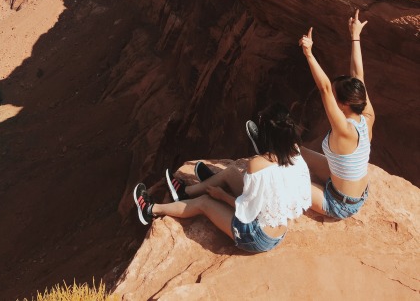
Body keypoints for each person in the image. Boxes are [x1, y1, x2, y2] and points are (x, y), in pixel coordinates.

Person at [133, 102, 311, 253]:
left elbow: (249, 210)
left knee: (203, 202)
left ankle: (150, 210)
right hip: (279, 232)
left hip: (257, 236)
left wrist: (221, 196)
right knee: (231, 172)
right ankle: (185, 192)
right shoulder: (295, 151)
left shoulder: (257, 164)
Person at [299, 9, 374, 220]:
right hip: (354, 192)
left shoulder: (345, 130)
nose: (330, 95)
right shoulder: (366, 115)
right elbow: (357, 76)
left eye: (334, 95)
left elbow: (323, 88)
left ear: (343, 104)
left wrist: (309, 54)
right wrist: (355, 35)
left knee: (285, 182)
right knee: (295, 150)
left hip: (339, 204)